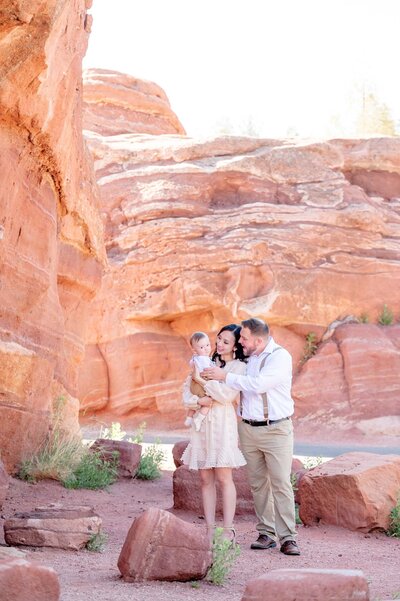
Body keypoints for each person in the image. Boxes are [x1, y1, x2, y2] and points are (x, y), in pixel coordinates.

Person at [201, 317, 300, 556]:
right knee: (257, 484)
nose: (240, 341)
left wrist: (224, 377)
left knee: (281, 483)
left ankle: (288, 537)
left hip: (275, 428)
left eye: (244, 337)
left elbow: (258, 384)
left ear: (258, 339)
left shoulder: (279, 357)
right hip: (247, 428)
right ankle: (266, 533)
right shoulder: (247, 359)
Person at [181, 324, 247, 541]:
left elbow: (227, 396)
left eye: (226, 341)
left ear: (236, 345)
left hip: (222, 426)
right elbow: (185, 393)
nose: (219, 344)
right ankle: (209, 529)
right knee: (204, 478)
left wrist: (203, 382)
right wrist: (197, 400)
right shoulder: (205, 362)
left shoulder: (238, 368)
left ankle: (228, 530)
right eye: (218, 339)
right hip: (202, 428)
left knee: (224, 477)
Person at [184, 332, 215, 431]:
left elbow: (192, 365)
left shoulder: (195, 358)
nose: (206, 348)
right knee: (209, 401)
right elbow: (208, 370)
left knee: (195, 400)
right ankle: (199, 419)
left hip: (194, 384)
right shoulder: (204, 359)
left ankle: (189, 418)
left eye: (207, 345)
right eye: (202, 347)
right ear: (195, 350)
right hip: (201, 382)